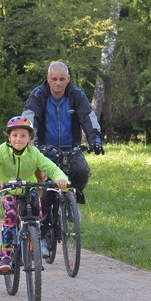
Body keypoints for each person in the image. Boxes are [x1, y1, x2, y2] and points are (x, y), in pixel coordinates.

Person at [0, 116, 69, 274]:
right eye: (14, 135)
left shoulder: (33, 153)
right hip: (8, 189)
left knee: (37, 215)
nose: (18, 139)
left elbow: (51, 168)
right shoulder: (2, 151)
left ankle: (31, 249)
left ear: (30, 138)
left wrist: (61, 179)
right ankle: (5, 254)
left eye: (23, 135)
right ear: (9, 137)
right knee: (11, 215)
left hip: (29, 188)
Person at [22, 61, 104, 204]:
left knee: (82, 172)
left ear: (68, 79)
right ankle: (45, 221)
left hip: (71, 148)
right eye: (54, 79)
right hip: (44, 149)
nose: (58, 83)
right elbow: (29, 119)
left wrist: (95, 140)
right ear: (48, 78)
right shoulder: (38, 95)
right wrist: (27, 141)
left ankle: (72, 200)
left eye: (62, 79)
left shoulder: (77, 94)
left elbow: (88, 118)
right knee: (46, 189)